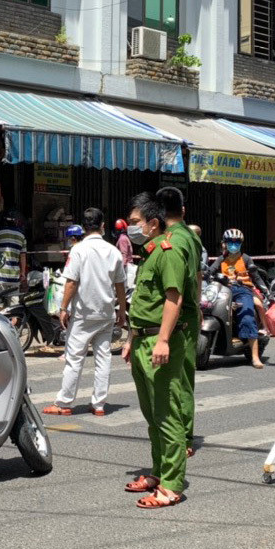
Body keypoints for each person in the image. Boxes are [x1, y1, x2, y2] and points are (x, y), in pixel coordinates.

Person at [122, 194, 190, 509]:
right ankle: (158, 473)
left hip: (159, 343)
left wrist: (162, 339)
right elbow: (145, 303)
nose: (129, 227)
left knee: (167, 415)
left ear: (153, 223)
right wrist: (132, 338)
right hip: (142, 340)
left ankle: (172, 485)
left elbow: (173, 299)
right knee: (152, 415)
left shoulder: (169, 250)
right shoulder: (150, 253)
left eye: (135, 222)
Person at [44, 209, 127, 416]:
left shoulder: (78, 250)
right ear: (102, 226)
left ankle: (64, 403)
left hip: (83, 314)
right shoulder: (113, 251)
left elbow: (71, 282)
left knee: (74, 359)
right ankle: (99, 405)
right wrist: (122, 311)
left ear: (84, 227)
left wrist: (63, 308)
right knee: (103, 358)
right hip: (106, 313)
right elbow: (120, 286)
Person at [156, 188, 202, 459]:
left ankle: (182, 435)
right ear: (183, 211)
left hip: (178, 317)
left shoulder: (173, 240)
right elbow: (197, 277)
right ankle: (182, 432)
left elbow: (174, 291)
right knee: (184, 377)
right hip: (190, 314)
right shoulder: (192, 237)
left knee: (178, 379)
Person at [207, 229, 267, 368]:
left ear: (241, 243)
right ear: (224, 243)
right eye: (230, 242)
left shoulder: (246, 258)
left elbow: (256, 276)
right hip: (223, 290)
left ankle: (255, 357)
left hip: (243, 290)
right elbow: (210, 271)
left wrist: (264, 289)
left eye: (236, 242)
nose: (233, 244)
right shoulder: (221, 259)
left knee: (247, 317)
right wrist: (204, 273)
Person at [0, 210, 27, 291]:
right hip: (14, 276)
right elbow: (23, 256)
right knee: (14, 302)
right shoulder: (22, 236)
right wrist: (23, 273)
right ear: (16, 221)